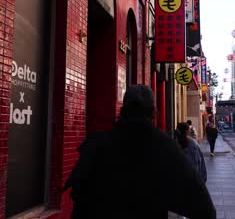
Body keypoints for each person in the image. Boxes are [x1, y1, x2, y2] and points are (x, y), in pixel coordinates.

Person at [64, 84, 216, 219]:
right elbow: (204, 208)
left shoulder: (96, 145)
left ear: (122, 110)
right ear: (154, 113)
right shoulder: (165, 148)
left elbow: (79, 201)